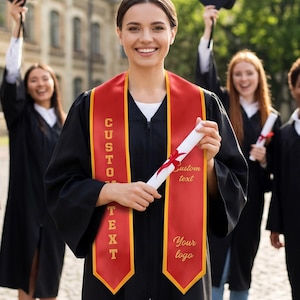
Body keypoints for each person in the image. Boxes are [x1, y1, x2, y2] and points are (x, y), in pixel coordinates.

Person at [44, 0, 247, 299]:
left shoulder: (204, 106)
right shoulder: (91, 107)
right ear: (119, 33)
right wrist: (111, 191)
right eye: (134, 28)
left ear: (173, 33)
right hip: (113, 277)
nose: (146, 38)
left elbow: (236, 189)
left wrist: (208, 165)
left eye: (157, 28)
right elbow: (60, 187)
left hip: (183, 277)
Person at [195, 5, 280, 300]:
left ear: (259, 77)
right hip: (220, 193)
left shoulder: (272, 117)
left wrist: (266, 160)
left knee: (243, 265)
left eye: (250, 73)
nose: (244, 79)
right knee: (215, 262)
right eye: (238, 74)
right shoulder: (222, 103)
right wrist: (208, 29)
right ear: (231, 78)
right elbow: (205, 73)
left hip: (252, 200)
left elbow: (276, 173)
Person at [0, 1, 66, 299]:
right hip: (26, 207)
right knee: (27, 277)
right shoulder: (21, 118)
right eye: (33, 81)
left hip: (54, 211)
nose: (40, 84)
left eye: (45, 79)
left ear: (54, 84)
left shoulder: (66, 124)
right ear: (26, 88)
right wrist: (17, 27)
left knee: (50, 279)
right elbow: (11, 73)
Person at [266, 58, 300, 300]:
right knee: (297, 282)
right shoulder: (284, 135)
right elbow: (278, 181)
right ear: (293, 88)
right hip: (294, 223)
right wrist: (276, 225)